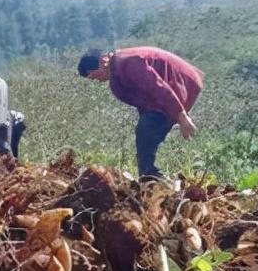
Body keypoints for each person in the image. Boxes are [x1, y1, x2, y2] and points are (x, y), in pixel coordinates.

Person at [77, 46, 203, 180]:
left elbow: (158, 88)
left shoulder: (128, 62)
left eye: (93, 75)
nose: (95, 80)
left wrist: (182, 116)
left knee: (148, 126)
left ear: (102, 61)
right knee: (146, 128)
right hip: (172, 89)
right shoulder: (117, 83)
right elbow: (144, 104)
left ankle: (151, 176)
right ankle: (149, 174)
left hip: (182, 81)